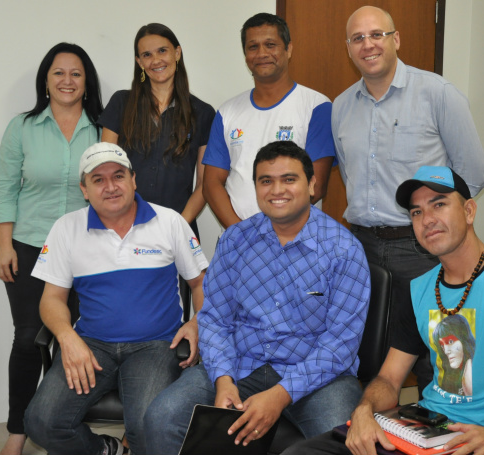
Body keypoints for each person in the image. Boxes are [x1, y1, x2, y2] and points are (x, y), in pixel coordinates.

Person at [286, 166, 484, 455]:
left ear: (469, 211)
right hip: (422, 427)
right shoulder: (418, 289)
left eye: (439, 204)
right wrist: (364, 410)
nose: (427, 219)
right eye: (416, 212)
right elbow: (390, 381)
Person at [145, 141, 370, 454]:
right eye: (266, 181)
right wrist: (223, 378)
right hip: (241, 363)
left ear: (312, 184)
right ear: (256, 188)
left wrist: (280, 395)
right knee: (162, 416)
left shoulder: (344, 250)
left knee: (345, 444)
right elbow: (214, 318)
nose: (277, 189)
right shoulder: (236, 240)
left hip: (317, 375)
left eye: (289, 179)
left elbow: (339, 345)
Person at [332, 5, 484, 394]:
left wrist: (438, 225)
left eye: (377, 35)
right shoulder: (340, 107)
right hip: (363, 250)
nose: (368, 45)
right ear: (348, 48)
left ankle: (451, 445)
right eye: (358, 38)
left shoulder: (437, 93)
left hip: (426, 249)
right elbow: (348, 175)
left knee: (448, 368)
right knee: (371, 361)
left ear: (396, 39)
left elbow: (473, 175)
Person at [23, 143, 208, 455]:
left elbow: (201, 284)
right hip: (92, 345)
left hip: (156, 345)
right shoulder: (67, 228)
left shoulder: (170, 221)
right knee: (42, 422)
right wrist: (67, 338)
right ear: (84, 189)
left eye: (118, 176)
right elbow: (51, 299)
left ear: (133, 180)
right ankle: (105, 450)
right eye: (98, 180)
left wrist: (197, 321)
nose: (110, 187)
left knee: (149, 426)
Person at [0, 42, 103, 455]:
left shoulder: (103, 128)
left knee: (74, 339)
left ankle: (58, 425)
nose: (67, 81)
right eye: (58, 73)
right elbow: (5, 190)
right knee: (27, 340)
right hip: (28, 246)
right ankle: (18, 432)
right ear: (46, 80)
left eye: (75, 73)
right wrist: (5, 245)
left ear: (86, 81)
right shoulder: (22, 127)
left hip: (86, 250)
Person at [202, 12, 335, 228]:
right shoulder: (227, 112)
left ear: (288, 49)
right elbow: (211, 184)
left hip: (294, 240)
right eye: (253, 47)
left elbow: (316, 187)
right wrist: (242, 233)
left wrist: (267, 234)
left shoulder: (316, 107)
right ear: (245, 55)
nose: (262, 53)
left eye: (270, 44)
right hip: (239, 241)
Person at [99, 23, 215, 237]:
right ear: (139, 62)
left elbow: (204, 184)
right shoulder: (121, 103)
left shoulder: (202, 113)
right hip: (123, 229)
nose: (156, 60)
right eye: (147, 54)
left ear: (177, 53)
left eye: (162, 50)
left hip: (178, 231)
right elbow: (103, 170)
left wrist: (178, 226)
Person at [432, 313, 475, 396]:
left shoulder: (474, 367)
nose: (446, 351)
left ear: (464, 340)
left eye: (450, 341)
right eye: (442, 346)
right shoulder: (449, 375)